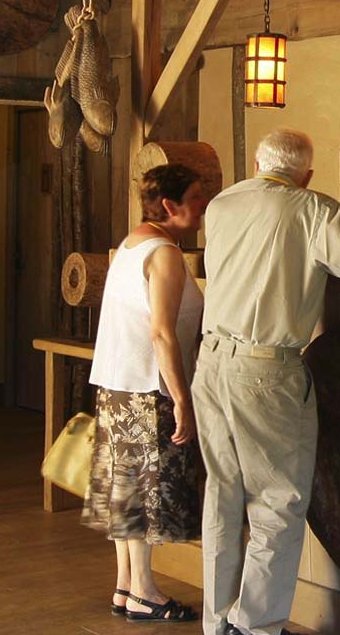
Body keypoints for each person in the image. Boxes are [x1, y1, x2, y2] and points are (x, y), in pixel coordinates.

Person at [195, 129, 340, 635]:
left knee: (221, 496)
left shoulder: (221, 204)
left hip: (211, 361)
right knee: (278, 502)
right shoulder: (311, 210)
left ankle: (217, 622)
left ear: (259, 163)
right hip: (266, 369)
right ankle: (254, 626)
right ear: (306, 173)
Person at [86, 164, 214, 623]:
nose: (202, 208)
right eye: (196, 198)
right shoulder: (162, 253)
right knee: (144, 487)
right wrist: (182, 399)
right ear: (169, 205)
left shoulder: (130, 245)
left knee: (127, 485)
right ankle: (143, 590)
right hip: (147, 385)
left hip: (119, 384)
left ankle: (127, 585)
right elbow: (162, 333)